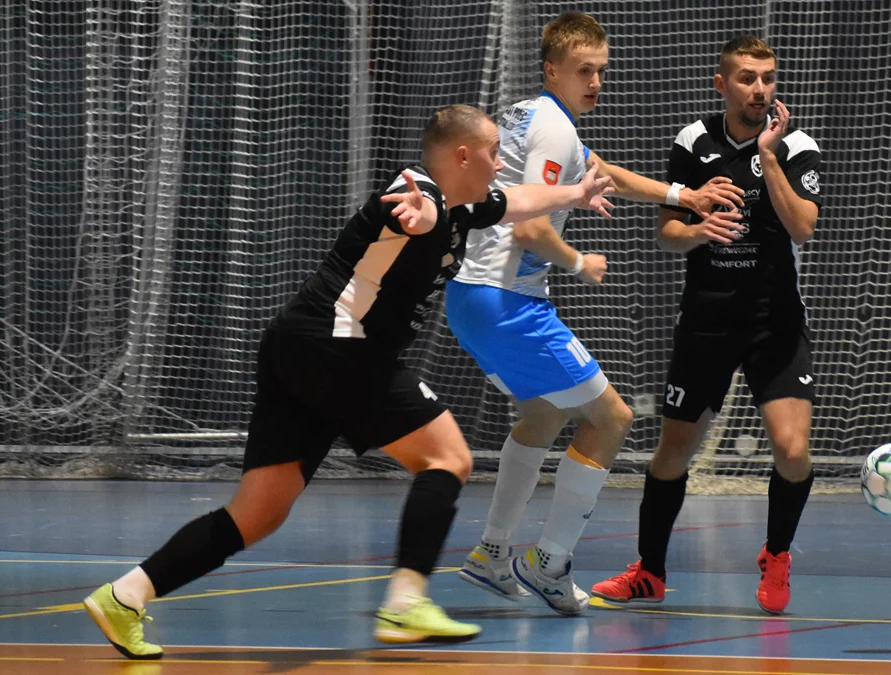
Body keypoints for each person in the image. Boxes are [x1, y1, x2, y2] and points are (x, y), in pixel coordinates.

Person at [81, 104, 616, 659]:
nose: (501, 162)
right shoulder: (420, 195)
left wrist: (575, 195)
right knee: (448, 459)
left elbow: (519, 202)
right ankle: (408, 599)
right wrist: (418, 216)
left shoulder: (463, 206)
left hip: (298, 348)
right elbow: (415, 211)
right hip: (339, 346)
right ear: (462, 155)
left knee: (258, 513)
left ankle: (127, 595)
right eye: (491, 153)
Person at [449, 11, 743, 616]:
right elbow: (531, 226)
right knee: (610, 417)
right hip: (508, 300)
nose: (596, 82)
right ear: (552, 67)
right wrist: (579, 260)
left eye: (602, 72)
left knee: (540, 415)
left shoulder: (534, 115)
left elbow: (602, 172)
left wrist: (682, 196)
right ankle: (549, 561)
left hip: (470, 297)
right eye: (584, 71)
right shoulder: (555, 130)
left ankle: (492, 553)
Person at [589, 35, 824, 615]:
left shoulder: (795, 145)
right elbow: (667, 232)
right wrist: (697, 228)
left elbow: (803, 228)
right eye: (747, 77)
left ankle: (776, 554)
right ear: (723, 84)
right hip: (707, 321)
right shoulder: (693, 141)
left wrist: (767, 160)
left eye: (768, 77)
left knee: (793, 451)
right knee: (673, 453)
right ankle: (649, 572)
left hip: (775, 321)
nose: (760, 89)